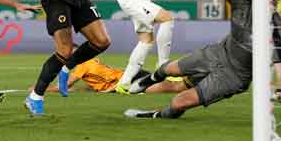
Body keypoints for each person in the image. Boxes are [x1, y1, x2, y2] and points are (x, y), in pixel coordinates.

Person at [123, 0, 281, 119]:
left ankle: (156, 114)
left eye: (271, 2)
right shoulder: (243, 1)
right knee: (170, 69)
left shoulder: (274, 29)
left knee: (179, 102)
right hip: (218, 53)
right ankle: (150, 79)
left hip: (234, 77)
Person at [39, 56, 185, 95]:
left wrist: (41, 89)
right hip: (128, 76)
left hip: (128, 81)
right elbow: (98, 81)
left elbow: (64, 86)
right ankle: (184, 78)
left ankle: (189, 81)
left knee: (168, 87)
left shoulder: (82, 66)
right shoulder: (89, 62)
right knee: (167, 83)